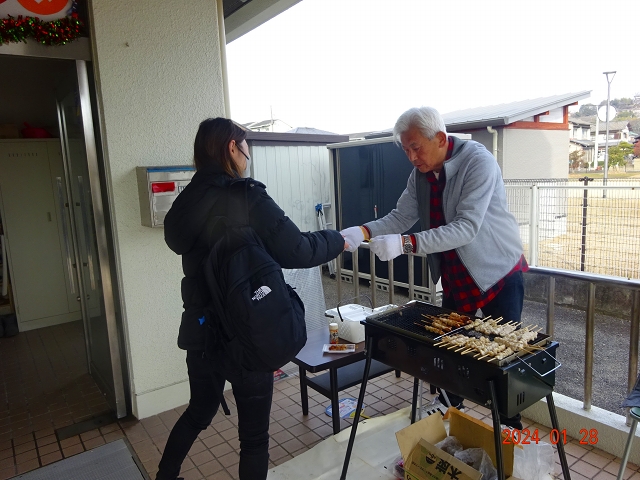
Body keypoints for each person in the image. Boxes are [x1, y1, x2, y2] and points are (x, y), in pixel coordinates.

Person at [157, 118, 345, 480]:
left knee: (198, 410)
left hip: (202, 333)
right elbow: (299, 250)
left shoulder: (183, 204)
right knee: (254, 440)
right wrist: (339, 239)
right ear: (232, 147)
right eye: (246, 147)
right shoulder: (245, 195)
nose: (247, 155)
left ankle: (165, 476)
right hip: (247, 331)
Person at [340, 106, 527, 430]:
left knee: (503, 356)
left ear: (440, 138)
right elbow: (400, 217)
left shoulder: (478, 162)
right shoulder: (421, 175)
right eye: (406, 149)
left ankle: (509, 424)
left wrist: (406, 244)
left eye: (416, 147)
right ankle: (447, 405)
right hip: (457, 273)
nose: (411, 156)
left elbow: (467, 227)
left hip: (498, 271)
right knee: (450, 349)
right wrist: (363, 231)